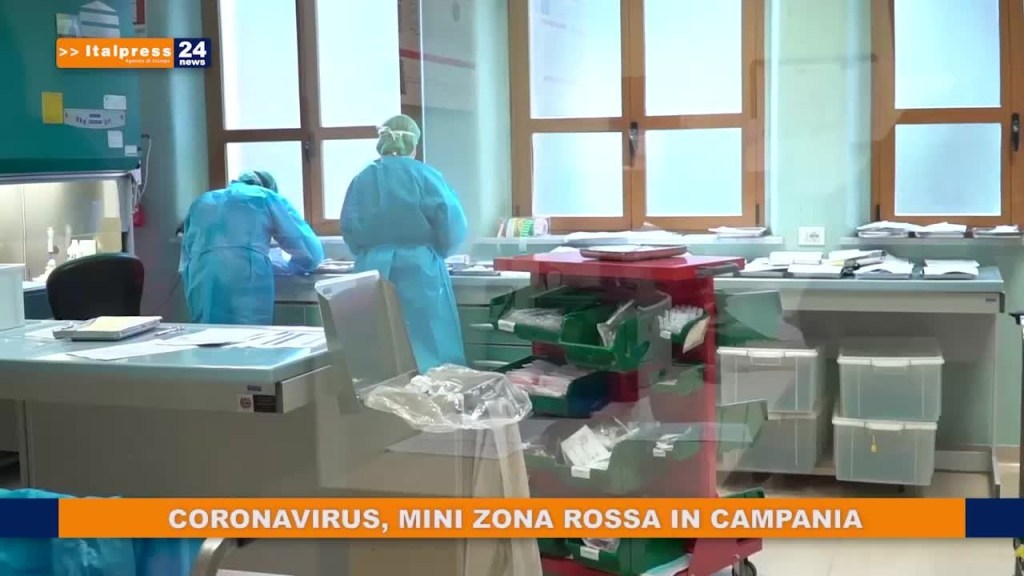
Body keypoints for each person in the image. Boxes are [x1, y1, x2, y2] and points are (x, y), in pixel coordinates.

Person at [341, 114, 469, 371]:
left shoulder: (362, 178)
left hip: (371, 269)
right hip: (419, 268)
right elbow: (451, 224)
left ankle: (381, 395)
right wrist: (439, 251)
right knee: (429, 342)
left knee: (377, 345)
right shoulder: (425, 175)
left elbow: (349, 227)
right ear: (414, 144)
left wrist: (368, 252)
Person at [180, 170, 324, 325]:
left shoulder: (202, 201)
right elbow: (307, 249)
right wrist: (291, 266)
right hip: (244, 273)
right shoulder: (264, 197)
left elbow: (186, 258)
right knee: (248, 333)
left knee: (208, 332)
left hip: (201, 276)